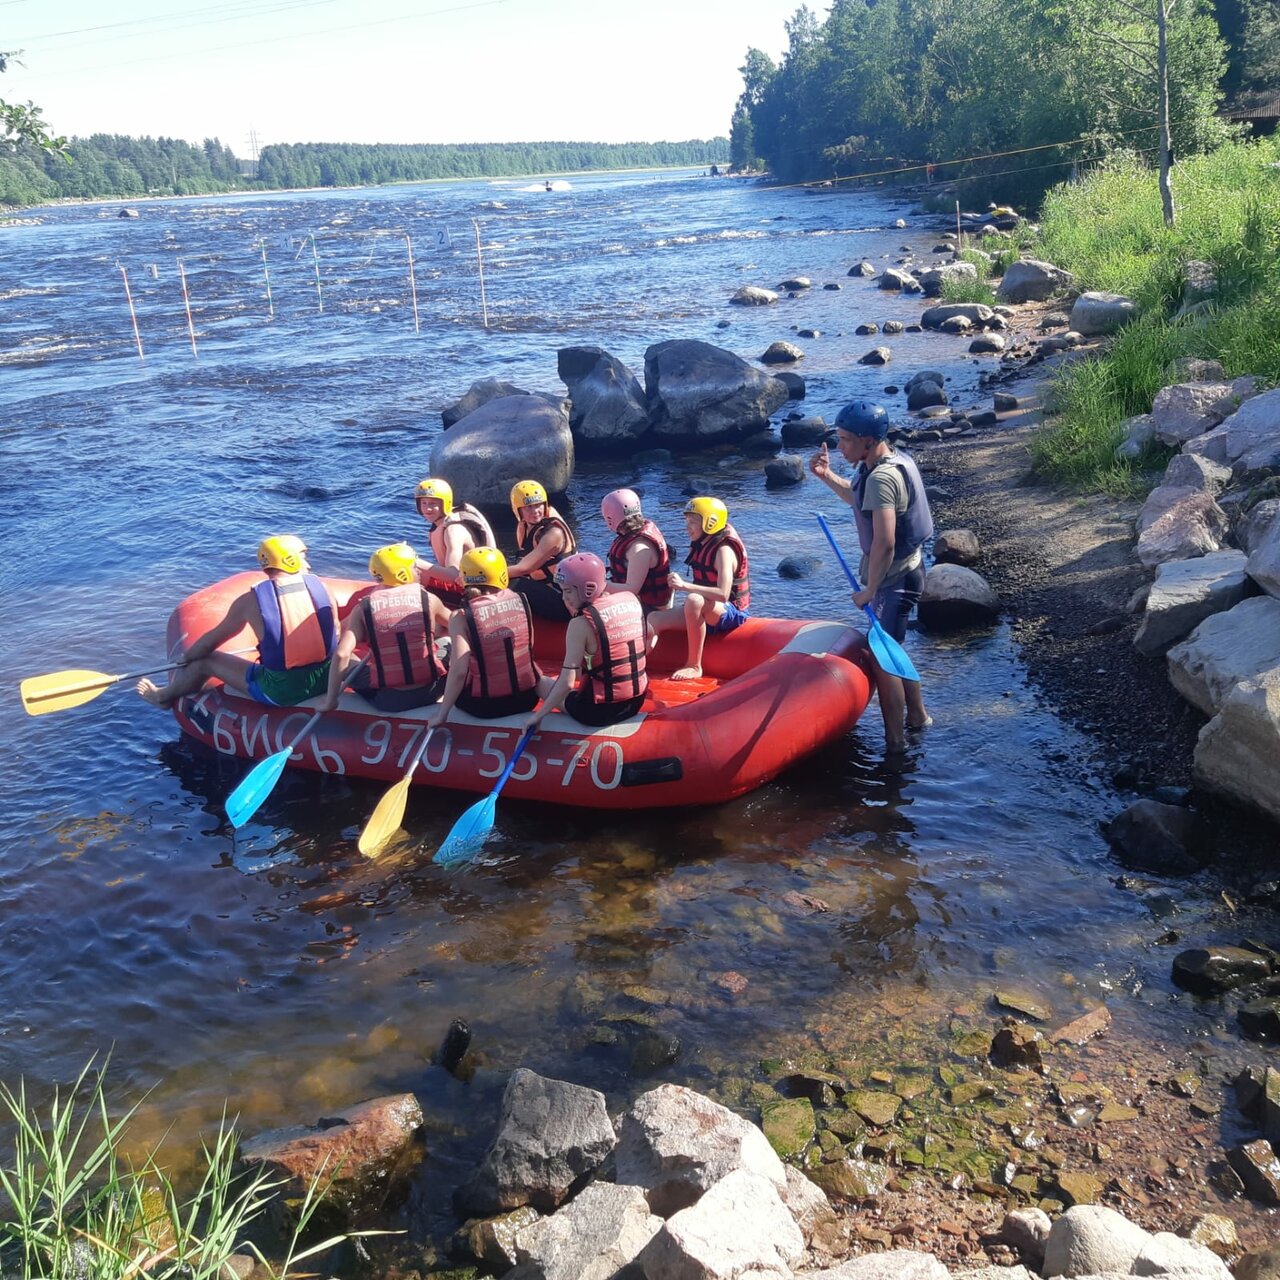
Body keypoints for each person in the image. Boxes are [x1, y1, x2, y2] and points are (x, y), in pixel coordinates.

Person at [809, 399, 933, 753]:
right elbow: (859, 498)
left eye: (846, 439)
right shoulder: (878, 464)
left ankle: (895, 744)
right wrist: (826, 477)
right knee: (892, 649)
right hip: (903, 574)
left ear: (869, 441)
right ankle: (918, 717)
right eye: (839, 438)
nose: (840, 446)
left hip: (896, 580)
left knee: (882, 662)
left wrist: (870, 589)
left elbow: (885, 542)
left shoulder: (882, 477)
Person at [136, 535, 337, 709]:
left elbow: (209, 643)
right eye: (303, 557)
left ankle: (162, 697)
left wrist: (187, 657)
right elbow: (334, 632)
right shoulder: (324, 589)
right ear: (289, 560)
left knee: (205, 660)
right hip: (327, 679)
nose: (308, 565)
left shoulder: (249, 601)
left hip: (281, 692)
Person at [319, 542, 452, 713]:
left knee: (344, 656)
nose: (419, 571)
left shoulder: (363, 608)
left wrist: (331, 700)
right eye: (414, 567)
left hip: (389, 700)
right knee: (446, 638)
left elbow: (341, 654)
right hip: (432, 692)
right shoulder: (430, 599)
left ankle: (331, 697)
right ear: (402, 574)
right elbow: (458, 627)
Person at [525, 552, 647, 731]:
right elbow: (649, 634)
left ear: (588, 589)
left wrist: (538, 716)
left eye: (568, 591)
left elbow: (567, 683)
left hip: (597, 712)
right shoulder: (632, 602)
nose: (563, 598)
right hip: (636, 701)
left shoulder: (580, 624)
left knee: (539, 682)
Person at [424, 547, 542, 724]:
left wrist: (442, 714)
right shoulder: (522, 601)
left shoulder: (460, 616)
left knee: (447, 651)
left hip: (482, 707)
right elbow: (528, 647)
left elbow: (459, 672)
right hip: (527, 699)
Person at [646, 496, 750, 681]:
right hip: (706, 607)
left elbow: (723, 594)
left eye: (693, 522)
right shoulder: (703, 543)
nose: (687, 527)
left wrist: (684, 586)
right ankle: (641, 663)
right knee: (653, 618)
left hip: (731, 612)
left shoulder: (724, 551)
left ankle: (694, 665)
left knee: (694, 600)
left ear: (710, 523)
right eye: (687, 521)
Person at [413, 477, 495, 601]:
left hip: (472, 590)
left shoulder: (453, 531)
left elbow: (453, 575)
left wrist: (415, 561)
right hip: (461, 585)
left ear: (444, 504)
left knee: (410, 571)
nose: (427, 508)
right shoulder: (440, 525)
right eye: (423, 503)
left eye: (432, 504)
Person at [507, 479, 576, 621]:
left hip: (565, 600)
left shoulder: (554, 533)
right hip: (547, 590)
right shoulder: (524, 527)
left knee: (510, 582)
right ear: (518, 510)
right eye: (528, 507)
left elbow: (524, 568)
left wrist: (489, 574)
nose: (535, 511)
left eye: (538, 505)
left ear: (545, 504)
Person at [600, 487, 672, 612]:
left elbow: (632, 589)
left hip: (651, 609)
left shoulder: (639, 549)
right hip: (639, 602)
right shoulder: (634, 536)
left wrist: (600, 585)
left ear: (610, 518)